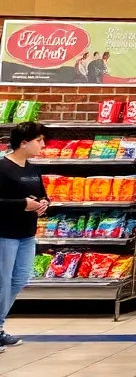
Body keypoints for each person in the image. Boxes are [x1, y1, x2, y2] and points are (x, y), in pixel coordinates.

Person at [0, 122, 49, 352]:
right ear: (23, 143)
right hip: (4, 234)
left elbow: (41, 195)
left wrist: (43, 204)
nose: (43, 144)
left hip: (26, 234)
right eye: (39, 140)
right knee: (2, 283)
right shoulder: (2, 168)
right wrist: (23, 204)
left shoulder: (33, 169)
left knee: (19, 280)